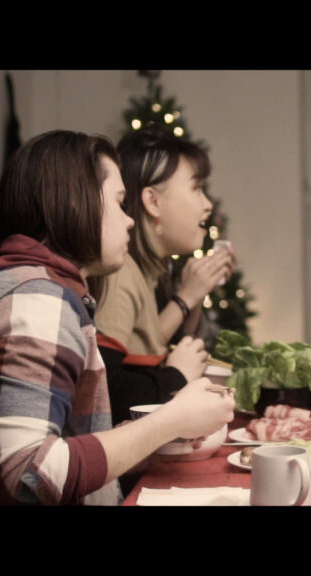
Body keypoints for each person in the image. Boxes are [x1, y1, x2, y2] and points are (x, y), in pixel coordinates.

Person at [0, 130, 234, 506]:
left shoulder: (37, 288)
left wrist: (154, 437)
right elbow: (28, 477)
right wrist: (171, 420)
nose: (129, 221)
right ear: (74, 203)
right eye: (118, 203)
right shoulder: (34, 298)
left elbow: (63, 443)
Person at [91, 126, 235, 426]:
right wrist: (186, 298)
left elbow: (170, 347)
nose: (207, 204)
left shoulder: (158, 270)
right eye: (196, 188)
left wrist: (195, 295)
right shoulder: (120, 272)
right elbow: (105, 391)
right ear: (153, 202)